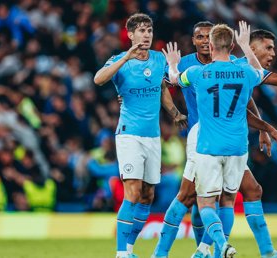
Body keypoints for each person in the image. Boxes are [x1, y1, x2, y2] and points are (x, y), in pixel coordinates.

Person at [153, 23, 277, 258]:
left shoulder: (198, 72)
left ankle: (219, 251)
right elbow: (271, 77)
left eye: (206, 37)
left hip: (208, 141)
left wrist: (171, 64)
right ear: (234, 45)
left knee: (238, 194)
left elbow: (173, 79)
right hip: (229, 142)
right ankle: (180, 253)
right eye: (269, 48)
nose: (272, 54)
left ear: (212, 43)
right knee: (200, 197)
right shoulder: (245, 69)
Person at [93, 13, 187, 258]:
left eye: (149, 30)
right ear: (131, 35)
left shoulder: (158, 59)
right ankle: (121, 253)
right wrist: (126, 57)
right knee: (132, 192)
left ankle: (130, 249)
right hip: (129, 135)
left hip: (153, 137)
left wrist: (176, 113)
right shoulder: (119, 60)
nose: (146, 35)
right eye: (141, 31)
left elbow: (163, 88)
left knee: (147, 195)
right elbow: (98, 79)